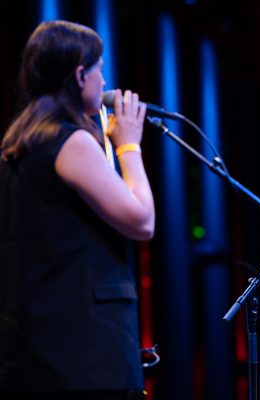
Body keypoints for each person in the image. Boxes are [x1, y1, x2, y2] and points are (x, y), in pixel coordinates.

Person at [0, 20, 154, 400]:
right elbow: (141, 220)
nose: (105, 81)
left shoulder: (19, 142)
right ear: (80, 73)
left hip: (40, 345)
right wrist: (128, 145)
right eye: (100, 69)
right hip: (81, 353)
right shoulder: (69, 143)